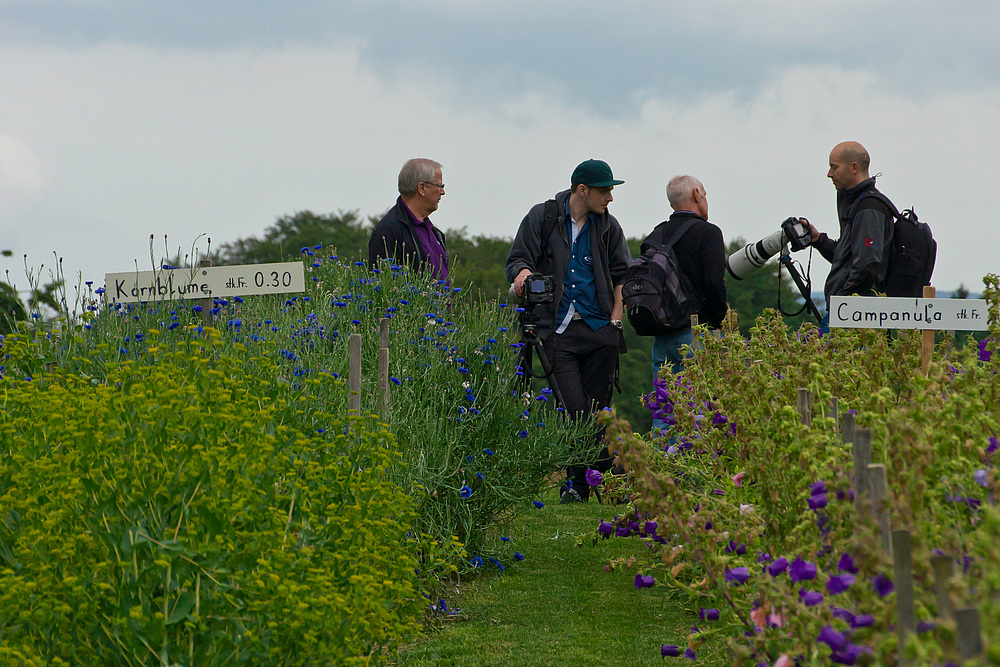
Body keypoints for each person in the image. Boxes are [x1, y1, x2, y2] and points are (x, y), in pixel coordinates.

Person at [505, 159, 632, 502]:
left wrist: (615, 321)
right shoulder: (542, 217)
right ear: (582, 190)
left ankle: (576, 488)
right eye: (605, 190)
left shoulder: (609, 227)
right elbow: (516, 260)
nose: (610, 197)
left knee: (593, 411)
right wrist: (523, 276)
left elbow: (623, 275)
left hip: (599, 329)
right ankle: (612, 466)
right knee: (574, 408)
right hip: (555, 330)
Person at [647, 175, 728, 377]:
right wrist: (721, 321)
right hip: (697, 333)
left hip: (661, 336)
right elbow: (713, 282)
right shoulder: (709, 233)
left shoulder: (656, 234)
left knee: (666, 403)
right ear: (696, 194)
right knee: (700, 404)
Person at [805, 141, 894, 316]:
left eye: (834, 167)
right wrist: (818, 240)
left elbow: (867, 265)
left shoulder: (869, 207)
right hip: (854, 312)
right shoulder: (858, 203)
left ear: (853, 167)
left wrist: (842, 303)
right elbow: (848, 260)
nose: (829, 174)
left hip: (858, 315)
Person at [368, 158, 449, 281]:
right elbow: (381, 285)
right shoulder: (389, 231)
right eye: (440, 186)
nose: (442, 192)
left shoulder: (436, 234)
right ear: (422, 188)